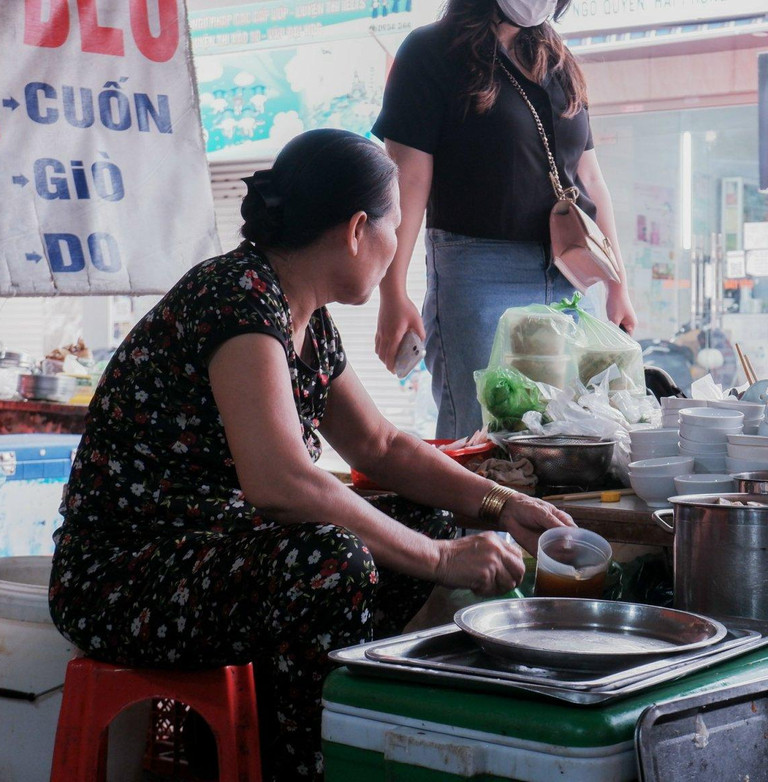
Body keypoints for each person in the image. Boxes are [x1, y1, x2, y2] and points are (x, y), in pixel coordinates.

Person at [48, 130, 572, 780]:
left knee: (417, 525)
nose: (391, 257)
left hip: (213, 560)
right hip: (122, 581)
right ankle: (304, 765)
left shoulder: (307, 322)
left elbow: (381, 445)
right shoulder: (236, 298)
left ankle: (277, 739)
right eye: (394, 232)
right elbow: (280, 482)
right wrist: (441, 560)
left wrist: (501, 505)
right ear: (358, 230)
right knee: (335, 560)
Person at [371, 0, 637, 438]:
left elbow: (589, 177)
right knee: (481, 437)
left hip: (569, 278)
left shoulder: (555, 59)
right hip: (478, 273)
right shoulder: (429, 51)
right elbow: (409, 183)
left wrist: (618, 284)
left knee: (565, 436)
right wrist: (393, 291)